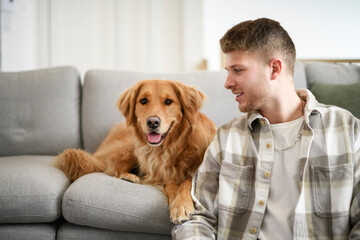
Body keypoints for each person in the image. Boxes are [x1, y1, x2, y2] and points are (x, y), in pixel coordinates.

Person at [172, 18, 360, 239]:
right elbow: (197, 217)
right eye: (228, 71)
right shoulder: (226, 138)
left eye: (237, 70)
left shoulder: (348, 130)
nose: (227, 82)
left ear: (274, 68)